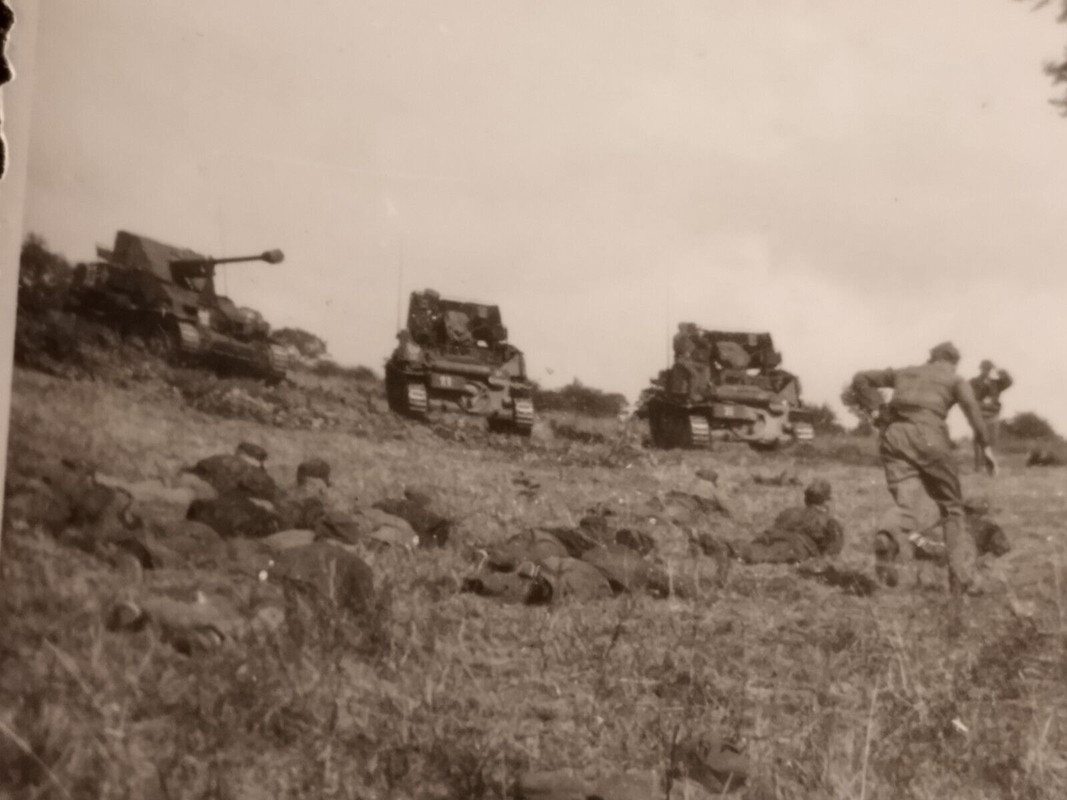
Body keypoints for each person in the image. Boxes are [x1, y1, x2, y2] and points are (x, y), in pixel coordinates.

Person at [851, 342, 997, 595]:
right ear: (953, 362)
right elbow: (973, 411)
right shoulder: (955, 378)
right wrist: (985, 447)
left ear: (931, 358)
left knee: (908, 506)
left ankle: (887, 536)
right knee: (952, 508)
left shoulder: (906, 372)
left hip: (893, 436)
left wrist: (876, 410)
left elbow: (861, 378)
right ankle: (960, 578)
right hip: (929, 435)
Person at [737, 479, 844, 564]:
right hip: (794, 549)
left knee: (747, 553)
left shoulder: (789, 512)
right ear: (827, 501)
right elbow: (832, 556)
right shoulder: (829, 522)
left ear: (805, 499)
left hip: (768, 540)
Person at [970, 360, 1013, 471]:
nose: (987, 371)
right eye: (985, 368)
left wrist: (999, 370)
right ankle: (978, 467)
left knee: (992, 440)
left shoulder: (996, 383)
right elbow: (969, 397)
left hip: (993, 414)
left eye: (989, 369)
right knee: (979, 440)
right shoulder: (973, 382)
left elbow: (1009, 382)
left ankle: (990, 466)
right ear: (980, 369)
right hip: (979, 414)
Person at [672, 323, 711, 401]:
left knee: (704, 368)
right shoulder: (682, 336)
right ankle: (692, 394)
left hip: (685, 361)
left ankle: (701, 389)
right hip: (683, 361)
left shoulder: (682, 337)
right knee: (695, 375)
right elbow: (687, 347)